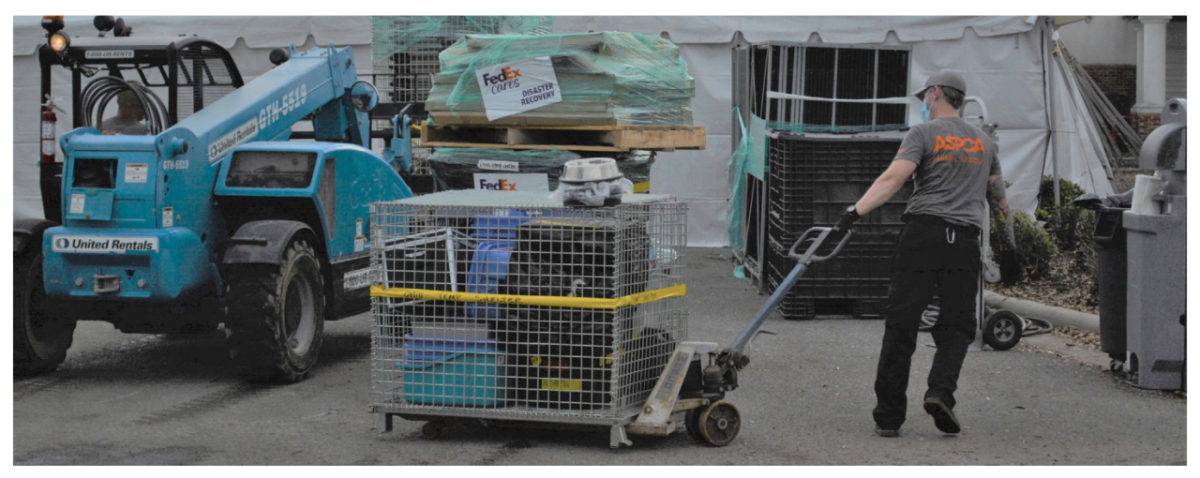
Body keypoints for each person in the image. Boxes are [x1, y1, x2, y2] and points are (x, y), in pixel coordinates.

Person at [831, 69, 1022, 438]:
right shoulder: (985, 143)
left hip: (923, 235)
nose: (923, 103)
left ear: (935, 93)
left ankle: (889, 416)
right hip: (964, 241)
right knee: (957, 327)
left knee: (902, 325)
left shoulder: (923, 134)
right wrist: (1009, 249)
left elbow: (893, 179)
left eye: (924, 97)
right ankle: (940, 393)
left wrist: (853, 213)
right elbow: (1000, 204)